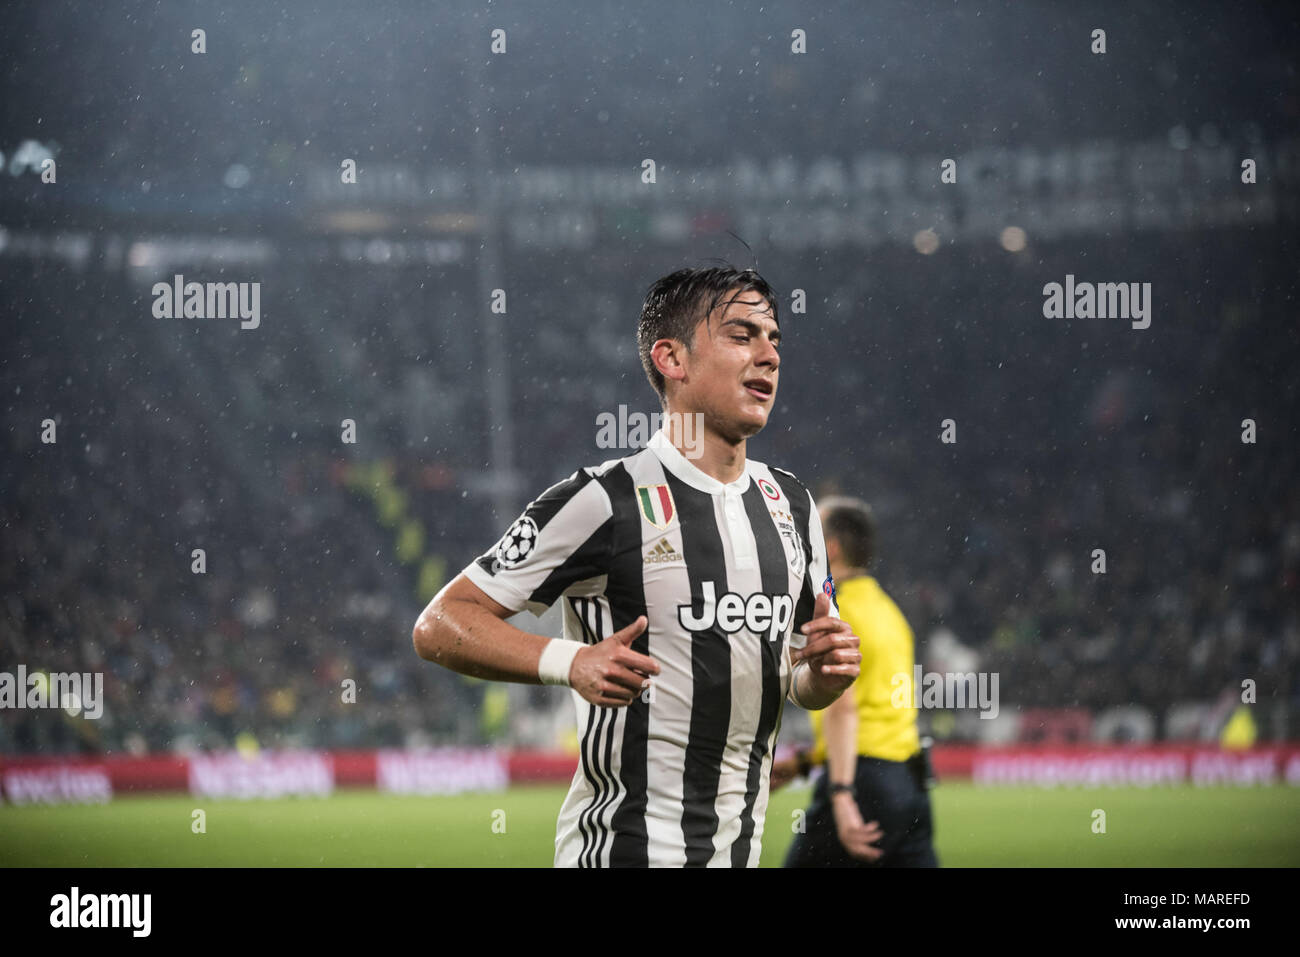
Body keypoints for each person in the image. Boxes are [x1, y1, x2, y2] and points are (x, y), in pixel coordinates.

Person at [412, 264, 862, 867]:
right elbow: (441, 623)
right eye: (740, 335)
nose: (769, 355)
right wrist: (571, 661)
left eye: (774, 338)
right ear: (672, 359)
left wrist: (821, 679)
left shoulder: (794, 505)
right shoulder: (603, 500)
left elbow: (795, 675)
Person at [773, 496, 939, 867]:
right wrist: (803, 763)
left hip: (862, 783)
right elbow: (876, 710)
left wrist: (843, 794)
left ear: (828, 547)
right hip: (911, 782)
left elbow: (843, 704)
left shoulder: (832, 610)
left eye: (810, 531)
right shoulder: (888, 610)